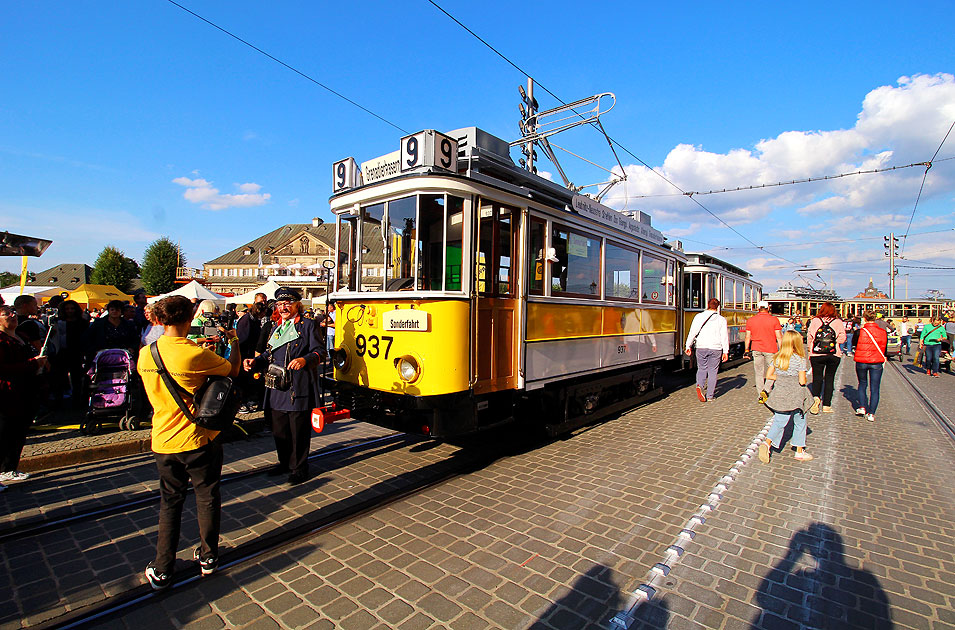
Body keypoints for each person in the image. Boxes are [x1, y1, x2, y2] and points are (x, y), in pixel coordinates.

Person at [136, 295, 241, 591]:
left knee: (170, 503)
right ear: (189, 318)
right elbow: (231, 370)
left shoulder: (146, 353)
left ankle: (163, 566)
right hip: (197, 438)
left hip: (163, 438)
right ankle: (209, 557)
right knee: (207, 497)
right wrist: (233, 341)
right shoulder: (193, 353)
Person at [243, 287, 324, 484]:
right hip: (276, 387)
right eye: (279, 304)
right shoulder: (276, 327)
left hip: (297, 387)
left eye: (287, 303)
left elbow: (320, 352)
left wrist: (305, 360)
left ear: (297, 305)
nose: (283, 307)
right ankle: (284, 462)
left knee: (298, 431)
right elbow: (269, 354)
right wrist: (255, 362)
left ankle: (299, 468)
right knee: (279, 430)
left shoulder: (308, 325)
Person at [0, 304, 49, 486]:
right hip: (7, 394)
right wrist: (32, 364)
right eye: (6, 314)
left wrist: (40, 362)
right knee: (4, 433)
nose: (12, 316)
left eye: (13, 313)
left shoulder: (21, 336)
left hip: (25, 391)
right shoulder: (1, 340)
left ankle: (9, 468)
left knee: (18, 432)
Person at [758, 330, 814, 463]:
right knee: (800, 421)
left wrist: (781, 377)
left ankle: (767, 443)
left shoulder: (777, 358)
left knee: (779, 421)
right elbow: (802, 381)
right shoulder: (800, 360)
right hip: (796, 396)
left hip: (780, 394)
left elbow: (769, 375)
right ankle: (799, 451)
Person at [684, 298, 729, 403]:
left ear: (708, 305)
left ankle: (700, 385)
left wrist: (688, 346)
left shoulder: (698, 317)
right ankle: (710, 396)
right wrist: (726, 351)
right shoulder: (721, 319)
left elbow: (693, 332)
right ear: (717, 307)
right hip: (716, 348)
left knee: (702, 369)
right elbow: (724, 336)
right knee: (713, 371)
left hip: (701, 347)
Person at [805, 302, 846, 414]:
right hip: (833, 354)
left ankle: (815, 399)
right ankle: (827, 405)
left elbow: (809, 336)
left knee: (817, 377)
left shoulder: (815, 321)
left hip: (816, 353)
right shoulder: (838, 322)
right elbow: (843, 337)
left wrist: (810, 348)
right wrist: (834, 342)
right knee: (829, 378)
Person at [744, 301, 782, 403]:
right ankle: (766, 389)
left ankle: (760, 393)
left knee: (759, 372)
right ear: (768, 308)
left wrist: (746, 349)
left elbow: (748, 336)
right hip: (771, 348)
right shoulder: (774, 320)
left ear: (758, 308)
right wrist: (782, 349)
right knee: (772, 370)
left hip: (756, 348)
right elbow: (779, 336)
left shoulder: (751, 320)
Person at [55, 300, 90, 409]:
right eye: (67, 309)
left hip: (77, 353)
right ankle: (59, 402)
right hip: (61, 353)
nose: (70, 311)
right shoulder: (58, 322)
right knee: (60, 378)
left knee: (77, 379)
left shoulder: (82, 322)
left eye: (72, 308)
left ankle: (77, 402)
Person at [854, 310, 887, 422]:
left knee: (862, 384)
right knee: (875, 388)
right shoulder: (883, 332)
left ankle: (862, 407)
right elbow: (884, 347)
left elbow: (854, 343)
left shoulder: (860, 331)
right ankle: (871, 413)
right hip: (876, 362)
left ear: (865, 318)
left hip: (861, 361)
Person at [85, 299, 140, 365]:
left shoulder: (129, 325)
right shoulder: (98, 324)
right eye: (112, 310)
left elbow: (135, 339)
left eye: (117, 310)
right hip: (102, 357)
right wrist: (95, 350)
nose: (114, 312)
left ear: (121, 311)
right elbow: (89, 338)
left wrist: (132, 348)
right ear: (108, 311)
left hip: (123, 357)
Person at [235, 303, 264, 412]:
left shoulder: (252, 319)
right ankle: (242, 402)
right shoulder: (247, 320)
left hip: (249, 353)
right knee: (243, 379)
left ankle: (247, 399)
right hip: (245, 354)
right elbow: (243, 339)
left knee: (248, 378)